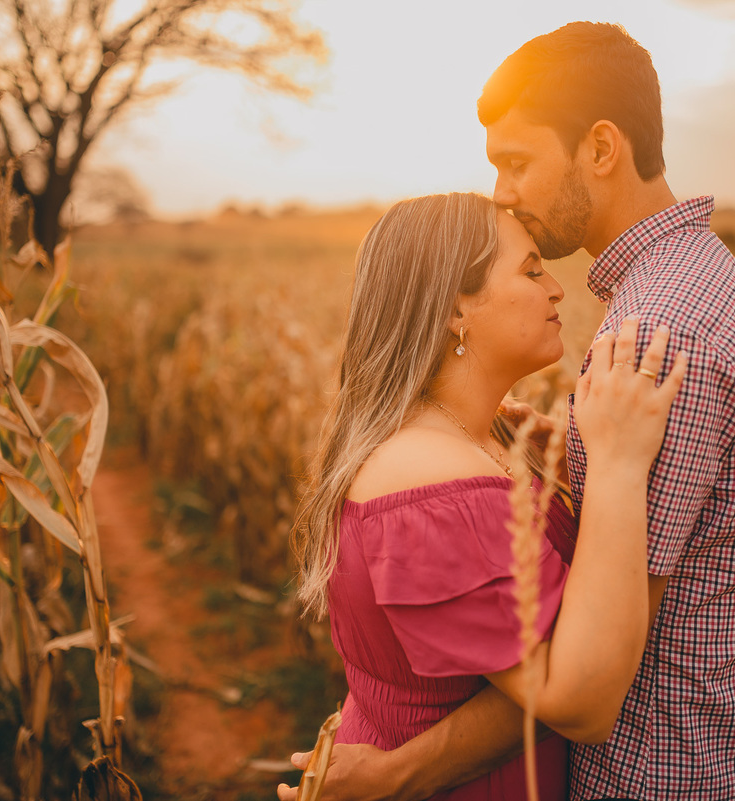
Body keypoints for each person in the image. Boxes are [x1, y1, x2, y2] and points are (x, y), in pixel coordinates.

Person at [279, 20, 735, 801]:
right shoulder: (683, 294)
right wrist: (568, 464)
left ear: (599, 147)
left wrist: (397, 774)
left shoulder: (657, 334)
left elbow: (597, 650)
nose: (503, 192)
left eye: (516, 162)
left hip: (657, 776)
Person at [277, 192, 686, 800]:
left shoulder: (472, 440)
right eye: (530, 269)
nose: (557, 289)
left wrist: (573, 468)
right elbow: (583, 702)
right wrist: (620, 464)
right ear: (453, 308)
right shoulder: (429, 483)